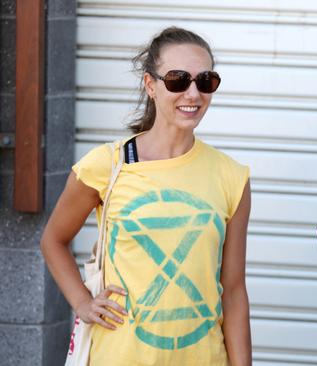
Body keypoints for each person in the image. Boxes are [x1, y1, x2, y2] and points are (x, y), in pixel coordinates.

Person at [41, 27, 252, 365]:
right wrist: (81, 302)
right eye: (177, 80)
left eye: (206, 80)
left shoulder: (232, 177)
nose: (193, 93)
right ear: (150, 85)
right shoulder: (106, 165)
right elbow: (53, 239)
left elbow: (235, 290)